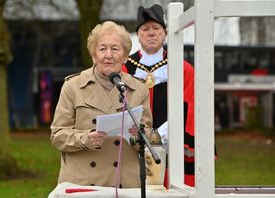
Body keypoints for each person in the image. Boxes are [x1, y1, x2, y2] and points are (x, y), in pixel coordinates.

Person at [50, 21, 152, 188]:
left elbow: (148, 137)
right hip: (83, 182)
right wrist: (86, 138)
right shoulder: (73, 86)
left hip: (124, 184)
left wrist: (138, 136)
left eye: (115, 49)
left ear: (126, 56)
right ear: (94, 55)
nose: (108, 55)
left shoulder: (139, 89)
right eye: (102, 49)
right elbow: (58, 136)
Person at [122, 4, 195, 187]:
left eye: (156, 28)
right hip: (133, 141)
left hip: (173, 143)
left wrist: (161, 136)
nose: (151, 33)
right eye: (145, 29)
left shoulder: (182, 68)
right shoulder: (124, 69)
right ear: (138, 35)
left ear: (165, 33)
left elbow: (191, 103)